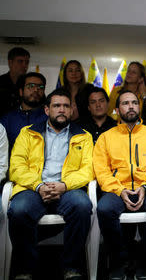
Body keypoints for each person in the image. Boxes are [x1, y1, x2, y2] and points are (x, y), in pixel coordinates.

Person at [7, 88, 93, 280]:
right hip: (34, 188)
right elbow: (16, 166)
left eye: (65, 106)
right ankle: (24, 270)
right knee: (19, 209)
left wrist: (64, 185)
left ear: (71, 110)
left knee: (82, 206)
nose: (61, 110)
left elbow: (87, 170)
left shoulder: (84, 136)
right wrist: (39, 186)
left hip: (67, 189)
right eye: (56, 106)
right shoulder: (27, 133)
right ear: (47, 110)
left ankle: (72, 268)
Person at [94, 90, 146, 280]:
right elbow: (101, 171)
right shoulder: (106, 137)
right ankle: (120, 261)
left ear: (139, 107)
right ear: (117, 110)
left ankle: (145, 261)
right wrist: (121, 190)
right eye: (125, 103)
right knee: (104, 209)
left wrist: (145, 187)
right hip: (117, 188)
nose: (131, 106)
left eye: (134, 102)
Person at [0, 72, 48, 152]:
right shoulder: (7, 119)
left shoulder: (49, 117)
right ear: (21, 91)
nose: (36, 90)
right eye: (31, 86)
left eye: (41, 87)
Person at [0, 47, 30, 117]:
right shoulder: (1, 82)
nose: (24, 65)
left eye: (27, 62)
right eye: (20, 61)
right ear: (10, 62)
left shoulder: (30, 84)